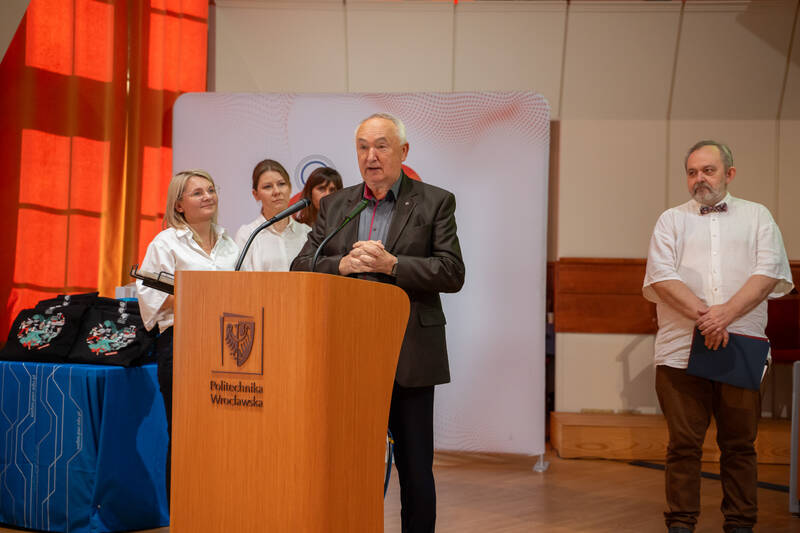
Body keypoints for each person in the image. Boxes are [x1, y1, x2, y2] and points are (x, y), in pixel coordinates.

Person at [292, 113, 465, 533]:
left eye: (381, 146)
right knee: (351, 465)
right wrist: (342, 264)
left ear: (403, 151)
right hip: (348, 354)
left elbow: (451, 272)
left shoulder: (434, 201)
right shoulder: (336, 205)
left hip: (409, 353)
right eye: (363, 147)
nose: (371, 156)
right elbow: (301, 265)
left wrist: (394, 265)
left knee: (415, 469)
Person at [643, 141, 793, 533]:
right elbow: (661, 277)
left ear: (729, 173)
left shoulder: (758, 216)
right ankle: (680, 524)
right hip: (679, 351)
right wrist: (707, 317)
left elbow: (769, 272)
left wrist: (724, 314)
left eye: (708, 170)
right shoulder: (671, 220)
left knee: (740, 446)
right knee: (682, 445)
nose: (700, 179)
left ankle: (741, 523)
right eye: (692, 172)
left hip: (741, 346)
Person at [136, 170, 239, 501]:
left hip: (227, 345)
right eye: (197, 193)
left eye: (210, 189)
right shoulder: (165, 243)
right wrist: (199, 294)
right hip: (183, 343)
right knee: (186, 435)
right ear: (179, 205)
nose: (208, 196)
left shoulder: (230, 244)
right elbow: (150, 298)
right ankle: (182, 515)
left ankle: (218, 509)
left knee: (223, 435)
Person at [235, 159, 311, 271]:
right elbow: (242, 278)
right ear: (255, 194)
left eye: (281, 184)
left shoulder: (306, 233)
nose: (276, 191)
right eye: (267, 187)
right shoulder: (247, 234)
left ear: (290, 188)